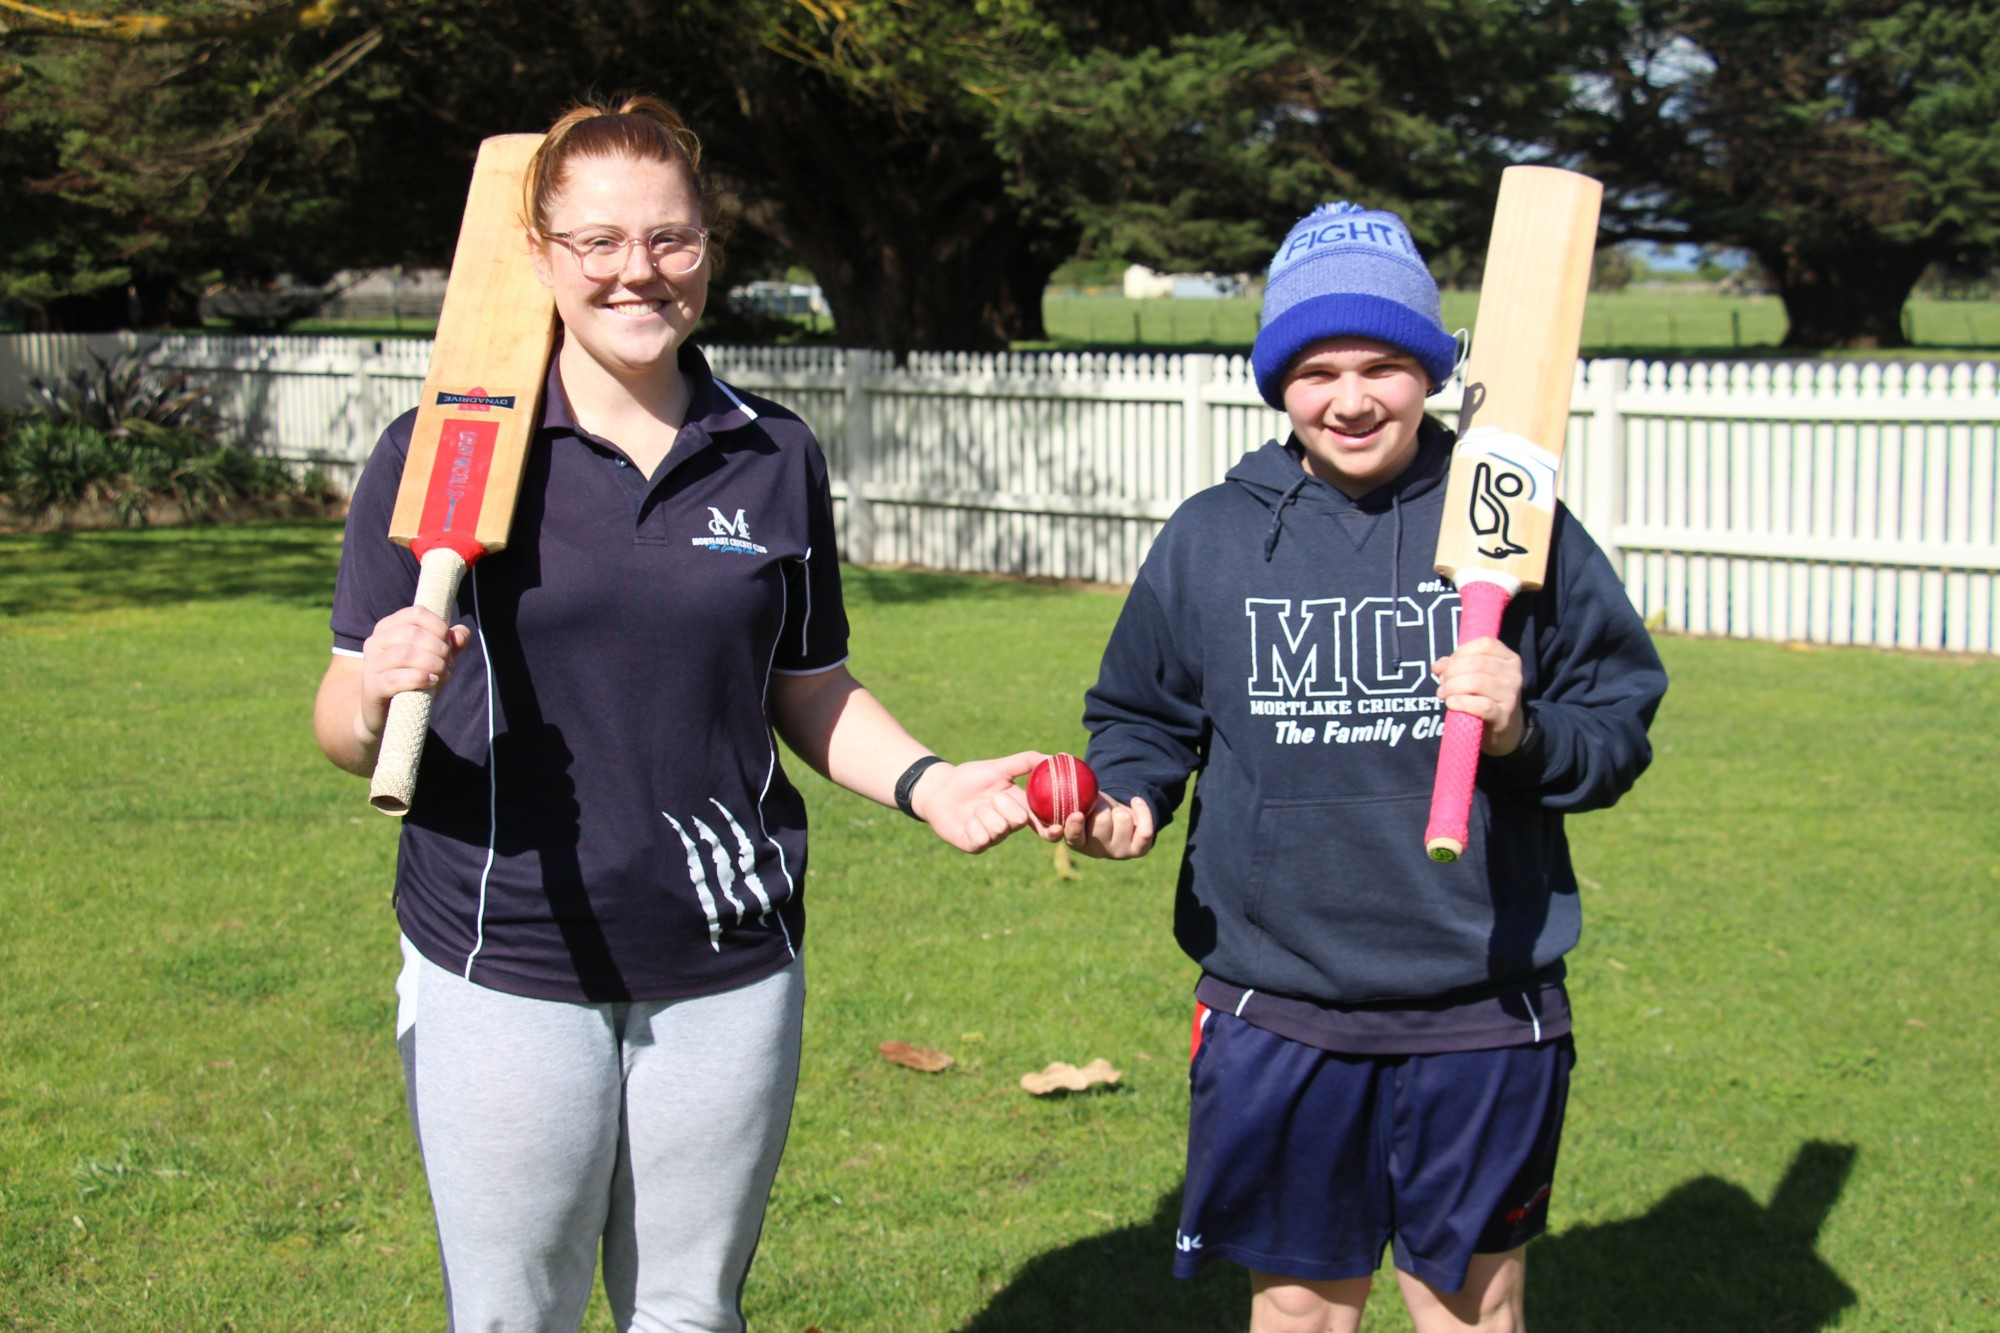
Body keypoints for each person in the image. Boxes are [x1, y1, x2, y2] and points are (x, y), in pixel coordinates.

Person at [312, 94, 1039, 1333]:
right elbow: (342, 725)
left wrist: (932, 781)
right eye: (596, 242)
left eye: (671, 237)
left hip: (726, 950)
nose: (636, 270)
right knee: (510, 1317)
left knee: (691, 1311)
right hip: (507, 949)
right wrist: (375, 684)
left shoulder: (770, 453)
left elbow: (805, 685)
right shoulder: (438, 448)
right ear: (536, 255)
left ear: (707, 246)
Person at [1039, 202, 1667, 1332]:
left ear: (1429, 370)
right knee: (1296, 1311)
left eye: (1382, 364)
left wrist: (1522, 728)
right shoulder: (1210, 536)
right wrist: (1125, 798)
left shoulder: (1516, 522)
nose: (1349, 397)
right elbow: (1140, 713)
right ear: (1277, 382)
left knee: (1472, 1310)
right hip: (1275, 1002)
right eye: (1315, 369)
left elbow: (1616, 725)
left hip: (1480, 1001)